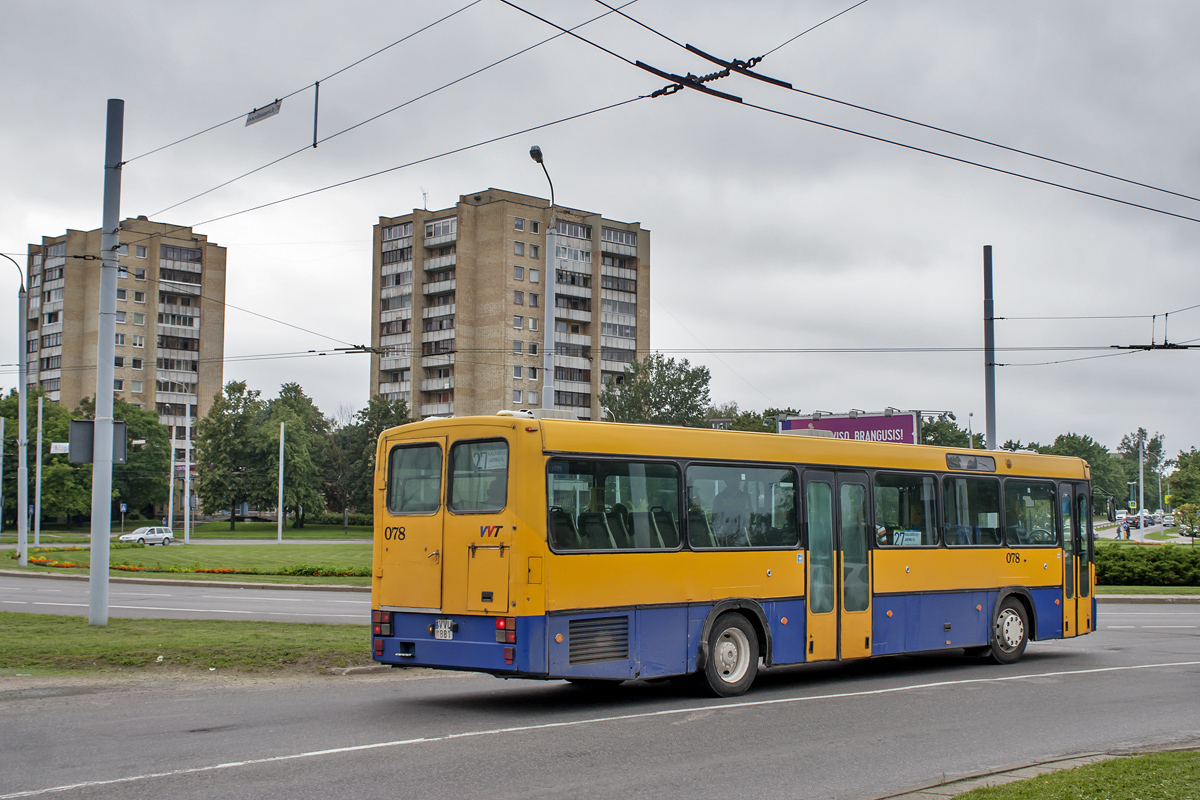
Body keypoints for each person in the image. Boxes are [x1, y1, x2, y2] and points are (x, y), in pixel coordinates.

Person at [712, 478, 751, 546]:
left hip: (743, 535)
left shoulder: (745, 497)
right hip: (724, 537)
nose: (735, 482)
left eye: (737, 479)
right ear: (726, 481)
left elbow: (750, 515)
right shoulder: (719, 498)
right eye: (732, 479)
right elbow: (716, 520)